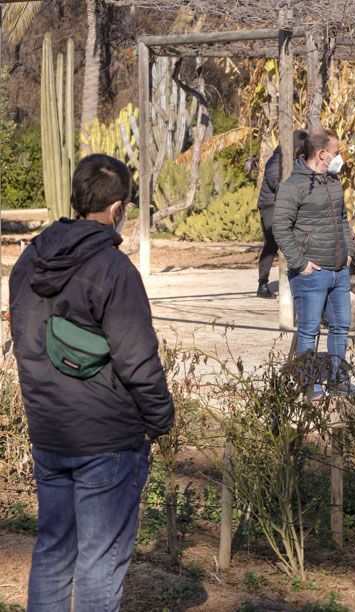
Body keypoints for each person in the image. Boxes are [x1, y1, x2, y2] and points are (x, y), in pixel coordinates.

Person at [9, 154, 174, 610]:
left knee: (53, 551)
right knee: (99, 561)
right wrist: (160, 419)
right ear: (117, 208)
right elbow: (138, 361)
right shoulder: (114, 271)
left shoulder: (29, 261)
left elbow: (23, 341)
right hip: (108, 440)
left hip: (49, 431)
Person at [273, 128, 355, 399]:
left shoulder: (333, 182)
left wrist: (350, 252)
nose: (339, 157)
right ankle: (310, 383)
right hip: (312, 274)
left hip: (338, 271)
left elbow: (343, 220)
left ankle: (338, 379)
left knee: (341, 326)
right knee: (309, 330)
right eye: (336, 153)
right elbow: (280, 228)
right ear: (321, 154)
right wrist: (301, 264)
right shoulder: (293, 186)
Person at [256, 129, 308, 298]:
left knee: (292, 243)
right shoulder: (276, 160)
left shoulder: (294, 160)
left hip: (284, 204)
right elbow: (276, 182)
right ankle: (262, 283)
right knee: (272, 245)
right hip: (270, 205)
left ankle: (294, 281)